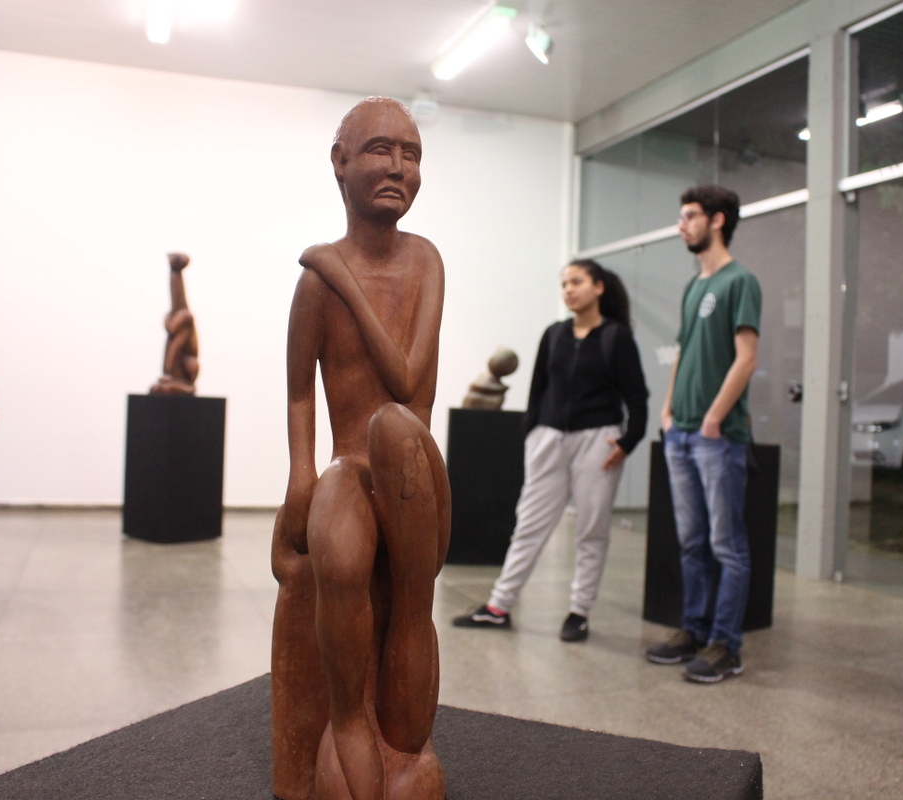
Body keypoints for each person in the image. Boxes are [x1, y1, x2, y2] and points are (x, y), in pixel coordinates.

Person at [271, 97, 448, 800]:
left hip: (410, 473)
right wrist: (300, 476)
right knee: (339, 542)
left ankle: (399, 741)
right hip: (350, 470)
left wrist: (337, 272)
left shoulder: (423, 261)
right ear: (340, 163)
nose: (399, 168)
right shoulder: (313, 287)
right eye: (381, 149)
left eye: (412, 155)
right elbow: (298, 393)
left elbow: (405, 381)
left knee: (392, 429)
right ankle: (349, 731)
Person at [452, 259, 648, 642]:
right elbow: (538, 388)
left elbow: (637, 397)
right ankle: (498, 606)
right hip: (548, 439)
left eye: (576, 281)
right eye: (564, 284)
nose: (568, 290)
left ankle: (579, 612)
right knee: (528, 524)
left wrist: (628, 441)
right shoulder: (554, 334)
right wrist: (533, 431)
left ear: (598, 287)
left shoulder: (616, 337)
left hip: (598, 441)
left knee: (592, 531)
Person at [645, 185, 761, 684]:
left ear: (717, 220)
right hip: (681, 434)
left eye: (690, 216)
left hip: (718, 437)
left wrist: (713, 419)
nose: (681, 225)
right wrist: (668, 410)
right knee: (692, 542)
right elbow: (684, 352)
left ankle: (726, 646)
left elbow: (746, 358)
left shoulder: (741, 281)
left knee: (726, 545)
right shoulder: (695, 286)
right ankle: (694, 630)